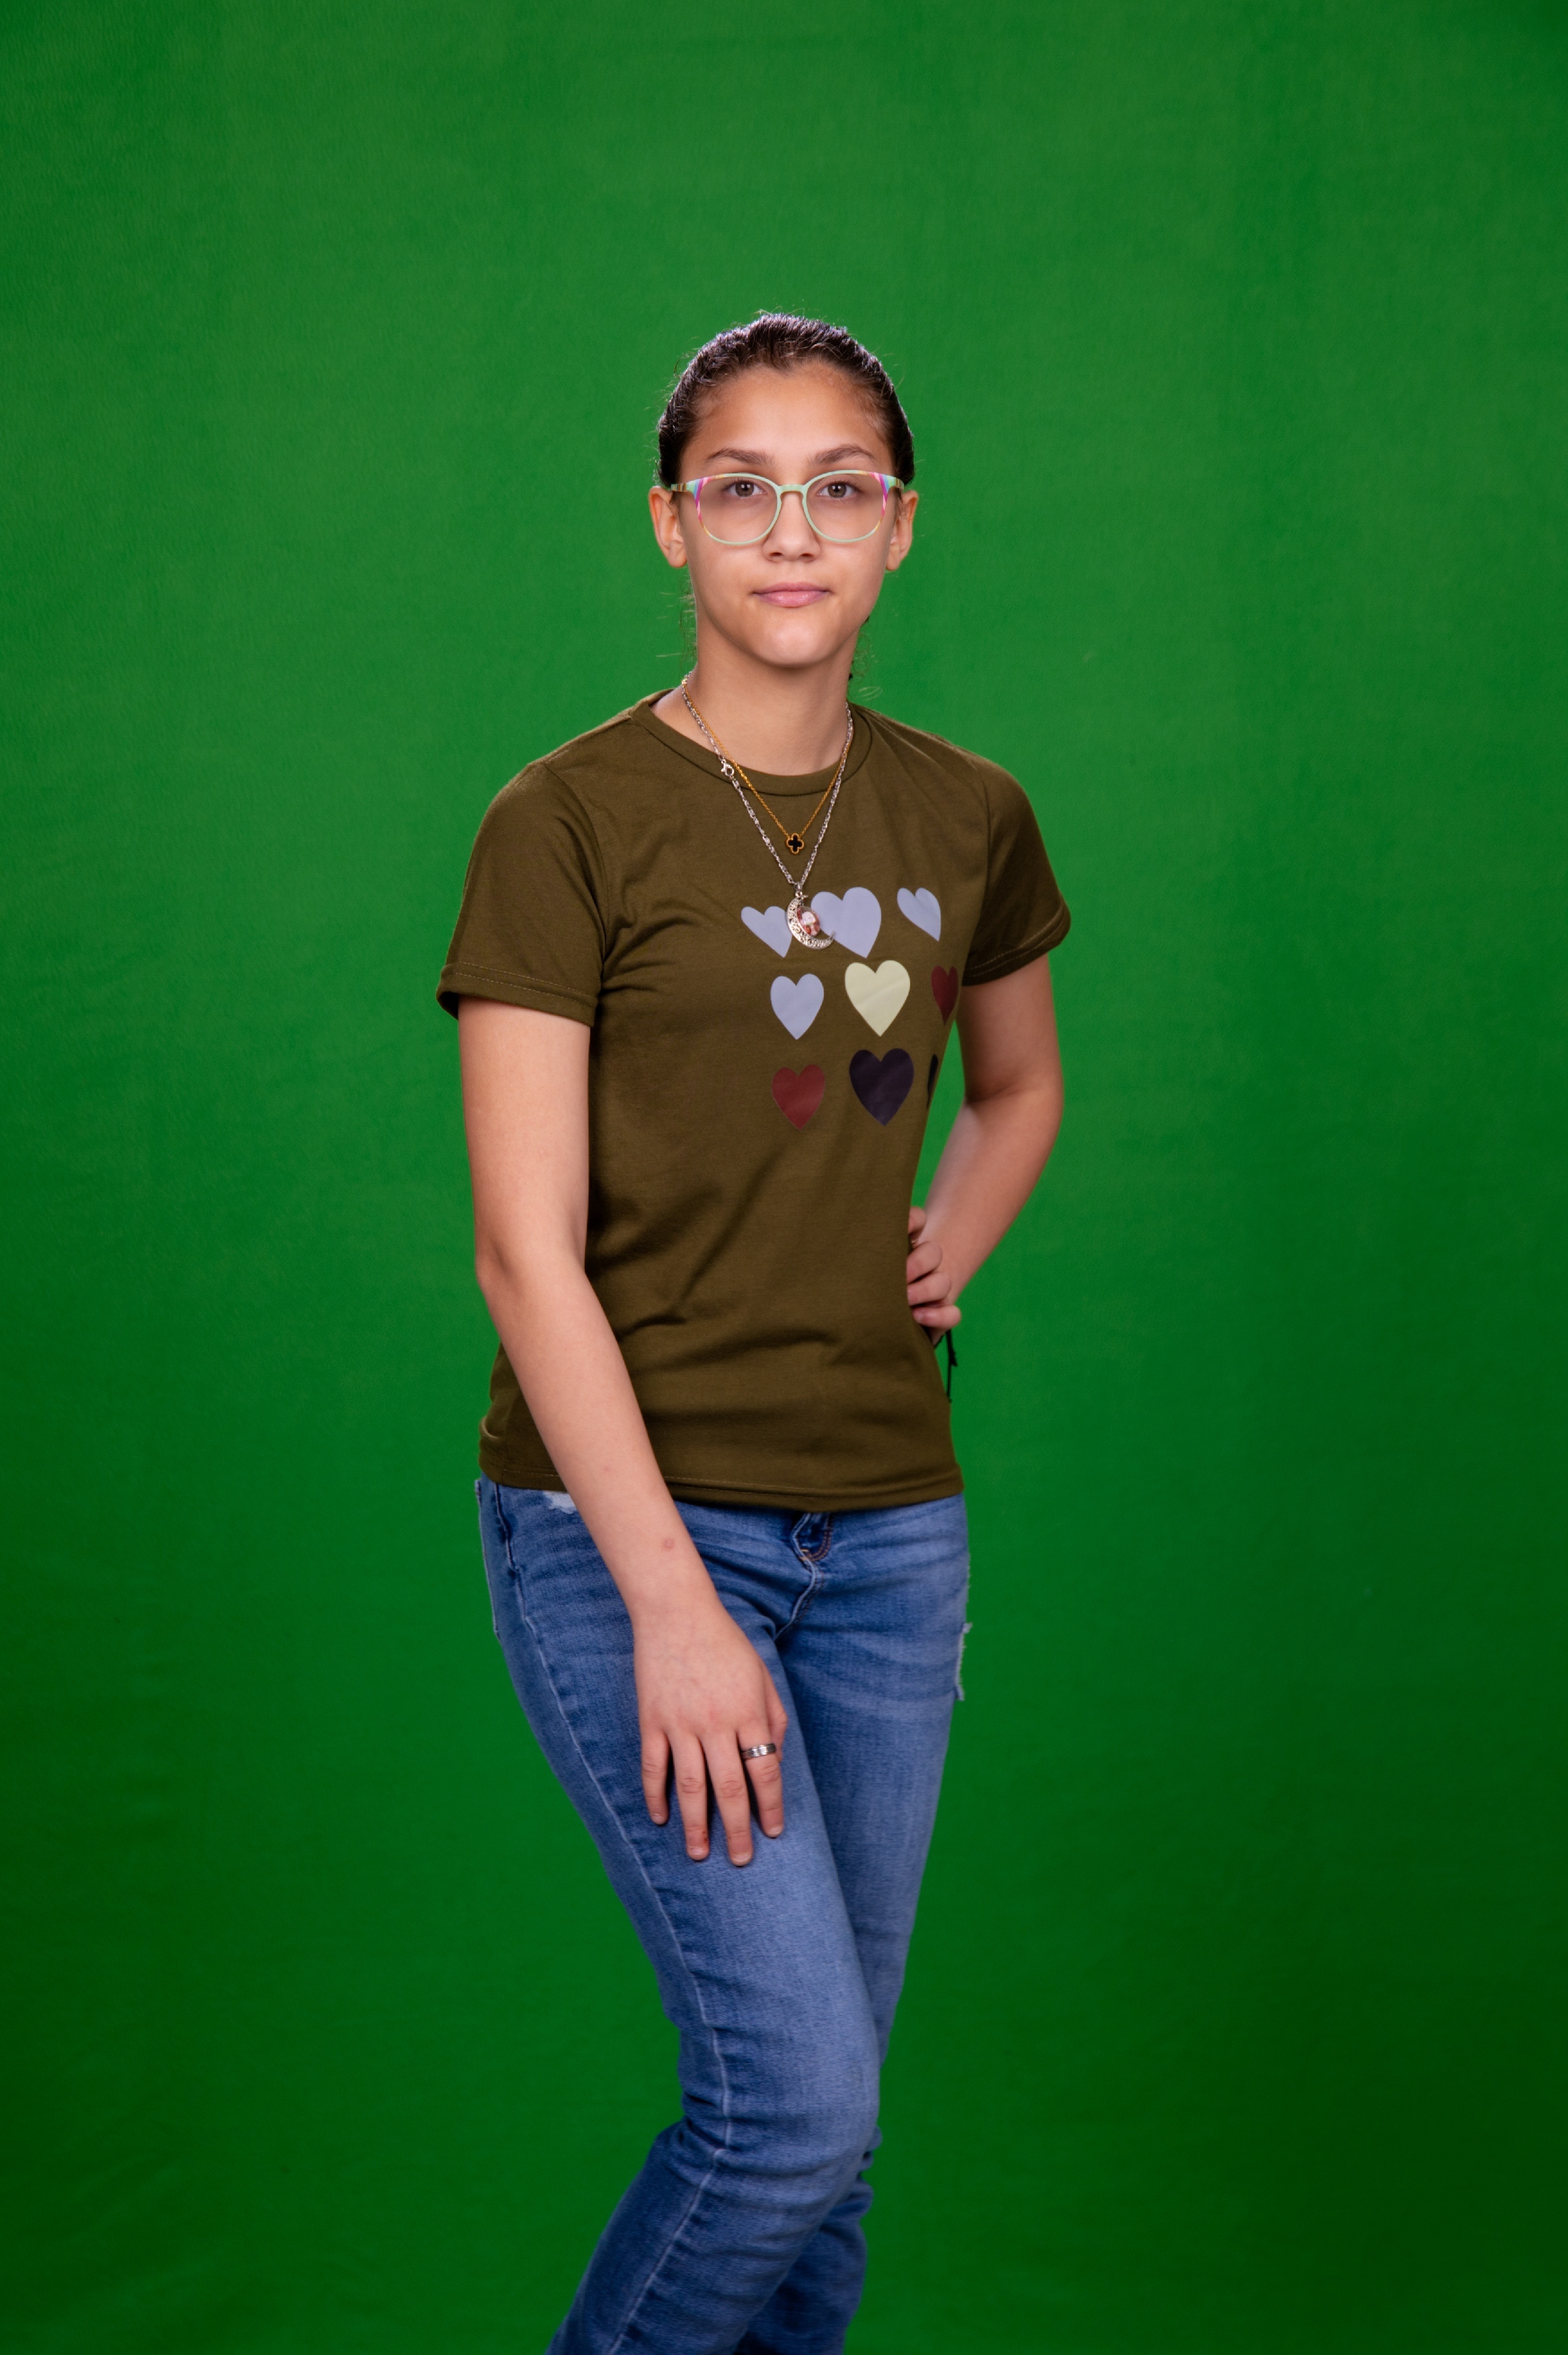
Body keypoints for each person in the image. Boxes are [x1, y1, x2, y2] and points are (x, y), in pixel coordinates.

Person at [440, 313, 1069, 2354]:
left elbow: (1018, 1086)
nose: (791, 531)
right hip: (635, 1531)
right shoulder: (569, 821)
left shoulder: (968, 814)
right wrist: (670, 1608)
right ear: (670, 524)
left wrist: (947, 1239)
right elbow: (524, 1254)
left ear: (902, 527)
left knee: (834, 2143)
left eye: (838, 488)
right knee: (787, 2111)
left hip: (893, 1538)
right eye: (742, 488)